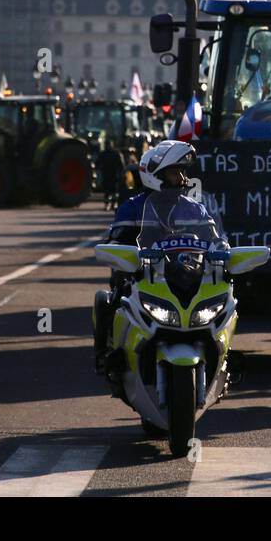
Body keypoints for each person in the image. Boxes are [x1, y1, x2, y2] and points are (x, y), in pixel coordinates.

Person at [94, 139, 225, 373]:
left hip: (187, 278)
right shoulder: (132, 207)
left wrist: (223, 251)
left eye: (182, 173)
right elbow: (115, 241)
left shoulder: (195, 208)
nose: (183, 180)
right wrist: (120, 252)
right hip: (141, 278)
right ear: (156, 175)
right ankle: (106, 358)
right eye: (176, 173)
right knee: (107, 301)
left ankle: (224, 358)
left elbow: (216, 240)